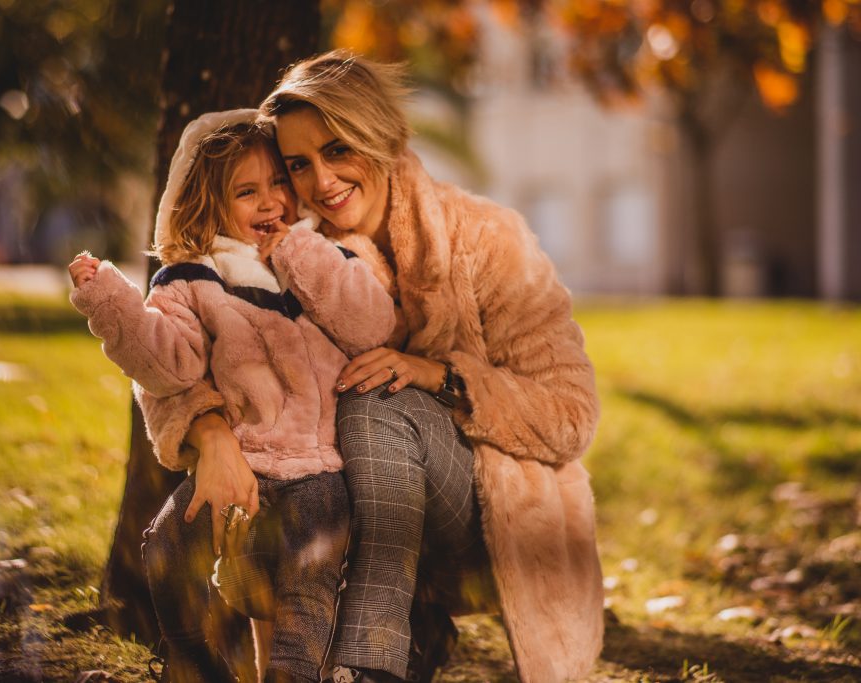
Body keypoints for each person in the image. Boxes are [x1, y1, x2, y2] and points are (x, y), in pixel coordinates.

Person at [141, 52, 604, 683]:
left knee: (373, 397)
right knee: (290, 466)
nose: (320, 181)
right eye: (297, 165)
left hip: (480, 511)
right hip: (333, 507)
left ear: (379, 138)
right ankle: (397, 635)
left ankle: (373, 662)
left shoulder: (489, 239)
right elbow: (179, 354)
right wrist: (213, 435)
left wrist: (440, 374)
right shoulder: (280, 243)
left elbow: (573, 416)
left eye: (338, 150)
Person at [68, 109, 395, 683]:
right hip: (240, 467)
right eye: (247, 192)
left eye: (277, 185)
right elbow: (170, 364)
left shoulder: (329, 256)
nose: (270, 203)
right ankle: (193, 663)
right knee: (166, 546)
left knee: (311, 569)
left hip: (320, 470)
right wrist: (111, 302)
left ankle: (292, 675)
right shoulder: (194, 277)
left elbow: (371, 324)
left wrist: (295, 252)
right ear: (211, 204)